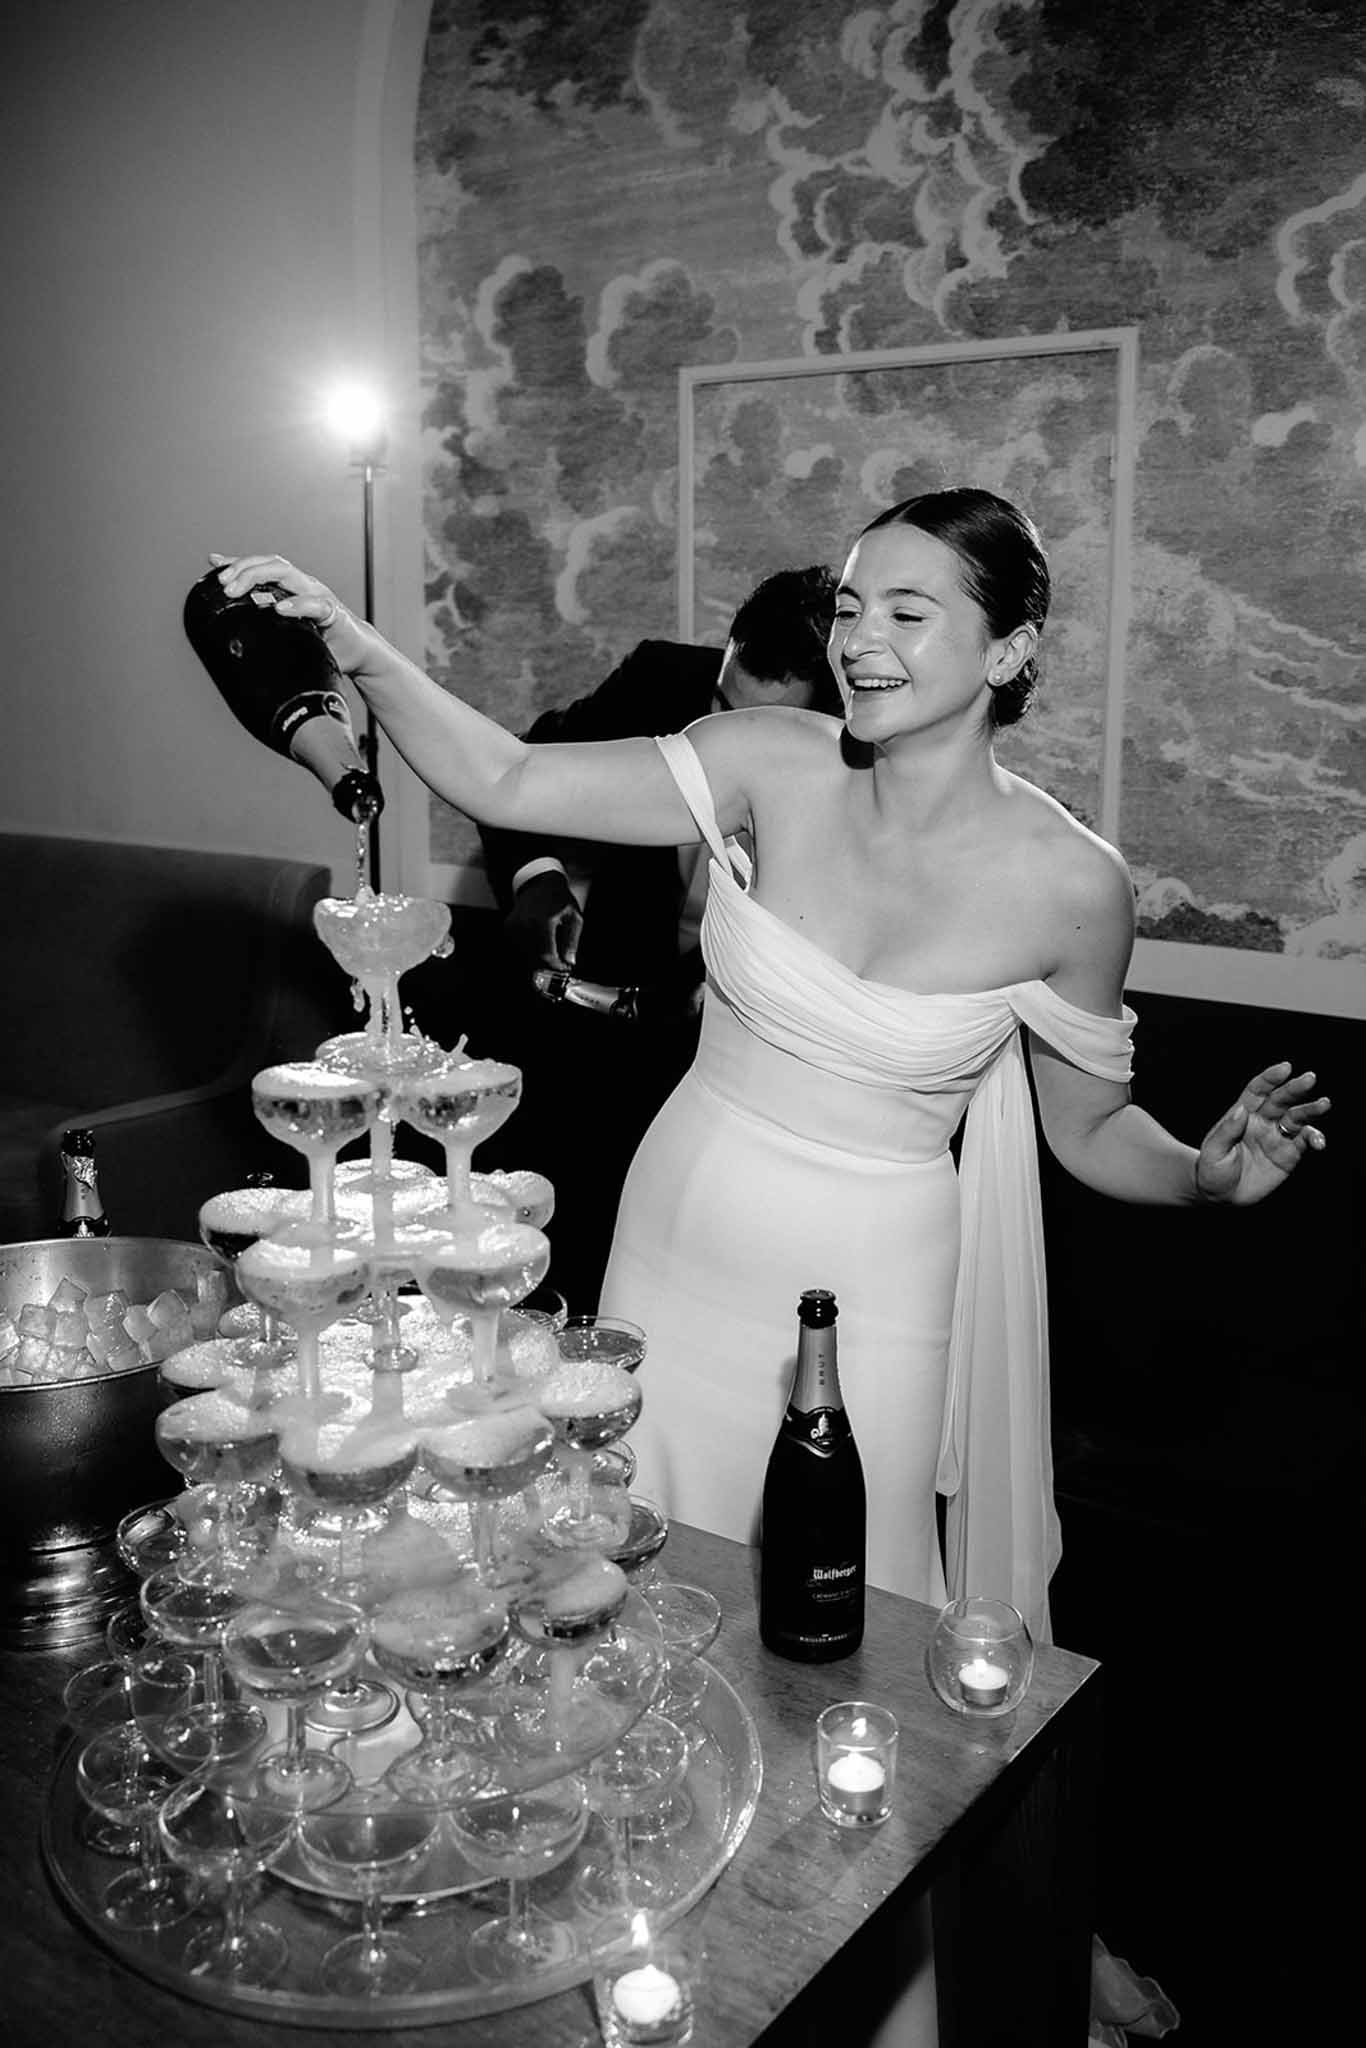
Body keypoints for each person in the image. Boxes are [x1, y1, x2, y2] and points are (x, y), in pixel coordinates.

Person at [210, 489, 1328, 1640]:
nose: (860, 642)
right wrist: (354, 641)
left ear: (1010, 648)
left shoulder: (1074, 885)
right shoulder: (763, 759)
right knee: (633, 1565)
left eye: (907, 611)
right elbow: (502, 778)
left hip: (877, 1293)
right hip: (680, 1230)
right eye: (850, 608)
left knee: (848, 1594)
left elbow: (1088, 1126)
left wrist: (1202, 1172)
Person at [473, 566, 839, 1309]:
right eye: (720, 705)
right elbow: (518, 767)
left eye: (758, 728)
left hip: (757, 1074)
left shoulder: (867, 765)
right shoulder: (660, 677)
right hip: (610, 1043)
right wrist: (536, 878)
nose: (721, 740)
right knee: (567, 1271)